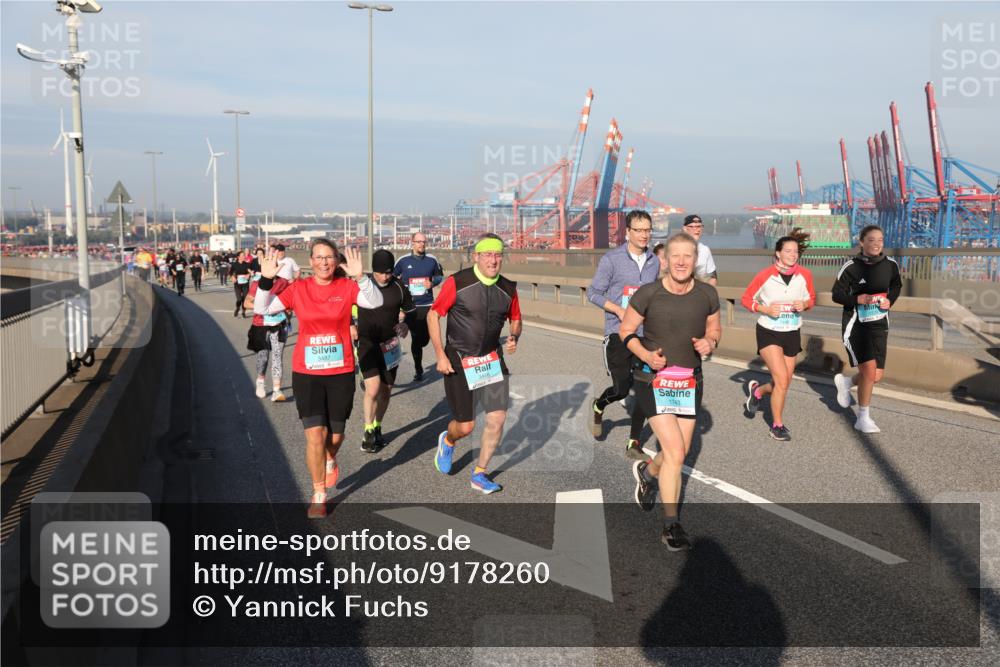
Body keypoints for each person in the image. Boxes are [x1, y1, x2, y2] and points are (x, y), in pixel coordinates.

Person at [253, 239, 383, 518]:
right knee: (314, 436)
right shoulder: (298, 289)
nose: (324, 262)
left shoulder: (347, 287)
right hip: (307, 373)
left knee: (335, 436)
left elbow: (375, 301)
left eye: (329, 258)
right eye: (318, 257)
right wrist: (265, 279)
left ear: (336, 261)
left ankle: (330, 457)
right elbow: (263, 309)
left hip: (340, 371)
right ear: (310, 261)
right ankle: (318, 493)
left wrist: (361, 277)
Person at [622, 232, 721, 551]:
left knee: (675, 451)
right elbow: (626, 331)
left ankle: (648, 474)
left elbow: (715, 329)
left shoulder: (707, 294)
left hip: (690, 381)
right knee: (677, 452)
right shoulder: (648, 294)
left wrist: (711, 342)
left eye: (687, 256)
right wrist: (647, 355)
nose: (680, 262)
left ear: (696, 260)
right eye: (674, 256)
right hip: (653, 379)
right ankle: (670, 525)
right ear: (664, 260)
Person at [428, 233, 521, 494]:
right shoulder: (458, 282)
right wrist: (440, 354)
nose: (493, 260)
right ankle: (447, 440)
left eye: (498, 255)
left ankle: (479, 473)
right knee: (465, 427)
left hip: (491, 359)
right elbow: (434, 315)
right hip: (459, 359)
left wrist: (514, 336)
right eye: (488, 255)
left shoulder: (508, 288)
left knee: (498, 418)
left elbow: (516, 318)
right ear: (476, 256)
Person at [586, 210, 660, 460]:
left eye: (647, 230)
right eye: (638, 230)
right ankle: (599, 405)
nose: (643, 235)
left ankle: (634, 443)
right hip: (617, 333)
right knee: (621, 387)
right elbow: (593, 293)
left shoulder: (654, 261)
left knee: (643, 388)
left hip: (644, 334)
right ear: (627, 232)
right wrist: (618, 309)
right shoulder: (612, 259)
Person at [740, 229, 816, 440]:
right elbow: (746, 299)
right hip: (768, 332)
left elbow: (811, 299)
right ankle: (777, 425)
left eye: (795, 251)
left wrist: (805, 304)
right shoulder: (765, 276)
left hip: (792, 332)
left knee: (783, 382)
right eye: (788, 251)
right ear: (778, 254)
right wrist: (765, 309)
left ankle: (758, 392)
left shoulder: (804, 275)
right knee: (782, 379)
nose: (793, 255)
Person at [832, 225, 902, 434]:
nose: (877, 244)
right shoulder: (851, 267)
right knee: (869, 371)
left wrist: (890, 300)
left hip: (880, 324)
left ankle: (846, 382)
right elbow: (837, 294)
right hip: (856, 325)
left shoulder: (891, 265)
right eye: (871, 240)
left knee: (875, 376)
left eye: (880, 240)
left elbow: (897, 286)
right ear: (861, 242)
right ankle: (863, 418)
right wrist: (857, 299)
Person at [356, 249, 415, 453]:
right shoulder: (363, 285)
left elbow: (411, 311)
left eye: (388, 272)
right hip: (367, 343)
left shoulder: (399, 286)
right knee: (373, 388)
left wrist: (405, 325)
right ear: (374, 271)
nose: (384, 276)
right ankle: (368, 431)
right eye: (380, 272)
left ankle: (378, 425)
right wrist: (349, 325)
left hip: (389, 346)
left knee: (386, 391)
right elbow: (344, 305)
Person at [393, 232, 444, 382]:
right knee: (416, 339)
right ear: (412, 242)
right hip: (411, 306)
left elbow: (439, 275)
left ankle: (421, 346)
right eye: (418, 241)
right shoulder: (403, 261)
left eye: (424, 242)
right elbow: (393, 279)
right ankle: (419, 370)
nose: (421, 244)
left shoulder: (432, 260)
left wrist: (433, 283)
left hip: (428, 305)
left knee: (425, 340)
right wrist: (400, 292)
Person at [245, 248, 291, 402]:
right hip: (260, 324)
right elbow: (246, 303)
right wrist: (266, 306)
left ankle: (277, 390)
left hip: (279, 324)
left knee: (278, 356)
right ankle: (260, 381)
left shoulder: (284, 283)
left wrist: (285, 309)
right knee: (263, 357)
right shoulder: (257, 284)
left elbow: (289, 302)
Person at [682, 214, 718, 286]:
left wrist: (708, 293)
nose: (697, 230)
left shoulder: (705, 250)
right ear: (685, 229)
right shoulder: (676, 248)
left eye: (699, 226)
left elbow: (713, 276)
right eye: (692, 227)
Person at [231, 252, 252, 318]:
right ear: (238, 257)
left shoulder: (247, 264)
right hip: (237, 284)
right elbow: (230, 272)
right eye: (242, 256)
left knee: (245, 299)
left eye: (244, 256)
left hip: (245, 283)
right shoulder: (234, 265)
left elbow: (250, 272)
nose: (243, 257)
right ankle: (237, 308)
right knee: (239, 299)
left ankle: (243, 312)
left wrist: (248, 275)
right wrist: (233, 277)